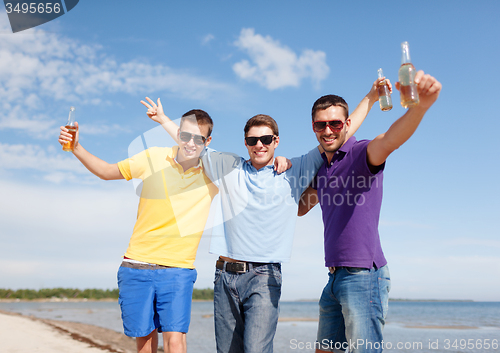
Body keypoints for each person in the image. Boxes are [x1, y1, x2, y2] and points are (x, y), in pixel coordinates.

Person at [142, 79, 383, 353]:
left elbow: (339, 131)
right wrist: (162, 119)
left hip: (265, 277)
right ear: (245, 143)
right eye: (253, 140)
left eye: (266, 139)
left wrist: (371, 98)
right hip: (225, 276)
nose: (259, 145)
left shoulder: (296, 169)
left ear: (276, 141)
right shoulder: (229, 166)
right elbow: (192, 145)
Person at [298, 70, 442, 353]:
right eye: (321, 125)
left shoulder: (362, 155)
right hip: (334, 277)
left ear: (346, 124)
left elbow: (390, 139)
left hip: (364, 276)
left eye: (335, 124)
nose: (328, 130)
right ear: (314, 127)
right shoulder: (322, 170)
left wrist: (421, 106)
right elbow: (301, 209)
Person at [58, 109, 219, 353]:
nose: (190, 143)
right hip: (137, 265)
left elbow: (251, 169)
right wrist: (77, 147)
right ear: (178, 134)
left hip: (178, 269)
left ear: (207, 142)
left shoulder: (214, 172)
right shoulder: (152, 157)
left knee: (176, 341)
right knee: (144, 343)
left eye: (199, 139)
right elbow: (105, 171)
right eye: (185, 135)